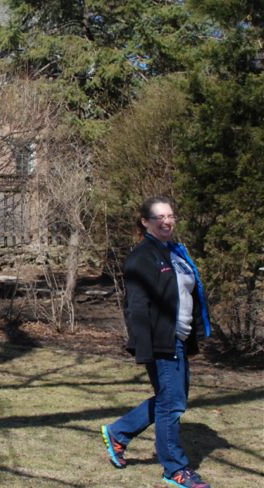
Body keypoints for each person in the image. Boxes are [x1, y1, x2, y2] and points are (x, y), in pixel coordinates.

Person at [101, 197, 212, 488]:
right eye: (159, 217)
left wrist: (193, 336)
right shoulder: (142, 256)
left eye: (170, 216)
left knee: (171, 398)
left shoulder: (174, 252)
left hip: (179, 337)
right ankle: (175, 468)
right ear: (145, 222)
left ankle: (118, 432)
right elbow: (136, 306)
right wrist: (143, 345)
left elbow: (187, 295)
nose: (167, 221)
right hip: (161, 341)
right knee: (172, 404)